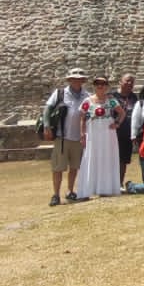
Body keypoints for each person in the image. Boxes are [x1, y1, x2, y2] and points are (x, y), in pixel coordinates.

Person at [44, 69, 88, 206]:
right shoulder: (60, 93)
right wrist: (46, 126)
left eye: (79, 78)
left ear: (82, 81)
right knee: (58, 167)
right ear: (69, 80)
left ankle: (70, 191)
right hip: (61, 136)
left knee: (74, 167)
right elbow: (48, 108)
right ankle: (56, 194)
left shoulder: (87, 95)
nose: (77, 80)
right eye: (74, 78)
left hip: (78, 137)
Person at [77, 76, 124, 199]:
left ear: (107, 86)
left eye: (103, 83)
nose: (100, 85)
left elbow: (122, 113)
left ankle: (105, 188)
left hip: (108, 133)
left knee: (106, 157)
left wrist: (117, 123)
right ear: (94, 85)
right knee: (92, 157)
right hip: (93, 133)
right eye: (97, 83)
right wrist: (82, 134)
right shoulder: (87, 101)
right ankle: (89, 188)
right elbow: (82, 118)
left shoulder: (111, 100)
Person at [114, 73, 137, 186]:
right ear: (120, 81)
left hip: (127, 133)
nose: (129, 83)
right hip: (113, 133)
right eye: (127, 80)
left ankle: (119, 183)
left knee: (123, 160)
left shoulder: (134, 98)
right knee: (112, 159)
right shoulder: (112, 96)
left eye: (132, 82)